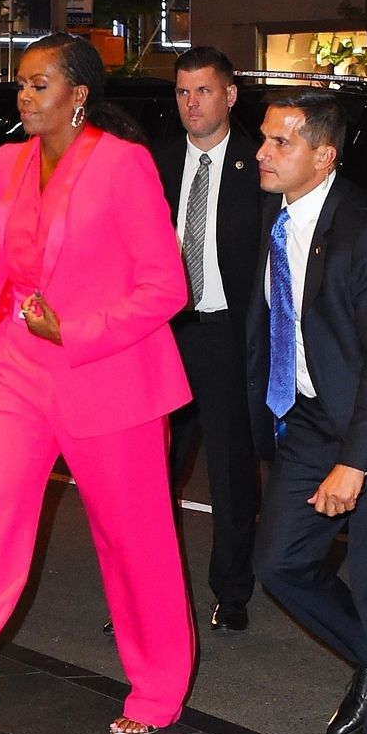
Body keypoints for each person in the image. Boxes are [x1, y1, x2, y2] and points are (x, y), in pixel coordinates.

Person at [0, 32, 196, 734]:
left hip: (110, 377)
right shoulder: (9, 162)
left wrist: (77, 330)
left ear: (78, 94)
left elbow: (167, 286)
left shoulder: (124, 164)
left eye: (40, 85)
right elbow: (7, 269)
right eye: (21, 85)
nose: (24, 97)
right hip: (19, 374)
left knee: (135, 546)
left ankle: (160, 687)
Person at [248, 91, 367, 734]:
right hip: (310, 417)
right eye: (264, 140)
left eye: (280, 142)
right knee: (278, 562)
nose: (262, 153)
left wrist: (355, 464)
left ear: (324, 155)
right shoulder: (279, 220)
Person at [152, 46, 262, 632]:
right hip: (164, 334)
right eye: (183, 92)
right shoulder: (159, 160)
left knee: (229, 471)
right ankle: (148, 593)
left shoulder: (258, 165)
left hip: (224, 335)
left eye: (204, 91)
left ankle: (232, 592)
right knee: (151, 469)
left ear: (230, 95)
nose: (192, 104)